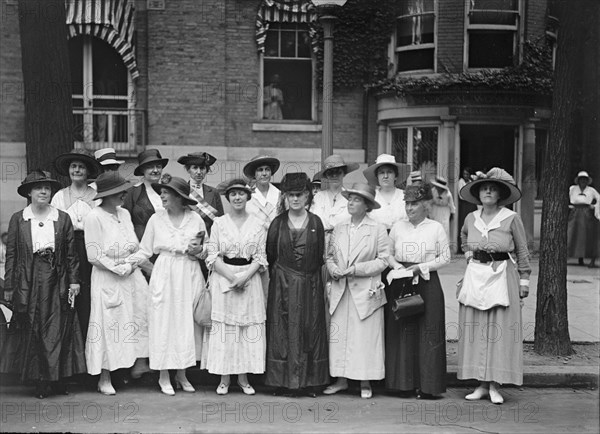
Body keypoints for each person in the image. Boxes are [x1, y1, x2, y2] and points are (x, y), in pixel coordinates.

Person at [0, 170, 86, 398]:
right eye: (38, 188)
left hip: (56, 278)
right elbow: (11, 255)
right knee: (34, 327)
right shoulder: (19, 219)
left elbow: (71, 254)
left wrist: (74, 281)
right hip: (28, 279)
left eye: (47, 188)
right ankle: (40, 381)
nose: (43, 192)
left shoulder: (62, 218)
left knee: (58, 329)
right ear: (29, 192)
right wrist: (9, 286)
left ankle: (58, 380)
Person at [128, 175, 208, 395]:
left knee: (185, 323)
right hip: (164, 270)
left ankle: (182, 374)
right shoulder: (156, 219)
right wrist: (126, 263)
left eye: (166, 192)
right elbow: (145, 250)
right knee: (163, 322)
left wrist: (198, 251)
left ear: (179, 197)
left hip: (188, 270)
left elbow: (206, 250)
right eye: (161, 192)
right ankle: (164, 375)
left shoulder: (196, 219)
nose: (162, 195)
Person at [457, 167, 531, 404]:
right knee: (477, 328)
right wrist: (470, 255)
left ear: (500, 194)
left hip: (502, 275)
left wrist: (524, 280)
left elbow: (521, 250)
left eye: (492, 189)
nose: (488, 192)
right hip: (476, 276)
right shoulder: (471, 218)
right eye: (484, 188)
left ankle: (495, 385)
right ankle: (480, 383)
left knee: (497, 330)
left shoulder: (511, 218)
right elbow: (463, 239)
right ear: (478, 194)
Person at [84, 172, 151, 395]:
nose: (124, 195)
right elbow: (94, 255)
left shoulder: (124, 213)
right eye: (119, 192)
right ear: (108, 194)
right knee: (108, 325)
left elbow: (136, 246)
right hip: (108, 277)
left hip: (131, 276)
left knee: (136, 318)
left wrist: (132, 264)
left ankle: (132, 367)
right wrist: (118, 268)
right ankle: (104, 377)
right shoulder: (94, 217)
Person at [265, 172, 329, 397]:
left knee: (309, 330)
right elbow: (271, 254)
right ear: (284, 197)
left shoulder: (316, 222)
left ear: (308, 196)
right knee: (283, 331)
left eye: (300, 194)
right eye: (291, 195)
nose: (295, 199)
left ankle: (310, 382)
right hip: (282, 285)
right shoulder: (277, 223)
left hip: (310, 284)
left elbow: (320, 254)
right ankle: (282, 382)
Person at [324, 183, 389, 399]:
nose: (351, 203)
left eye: (356, 199)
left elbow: (383, 260)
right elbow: (330, 256)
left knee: (364, 337)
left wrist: (356, 269)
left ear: (367, 205)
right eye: (349, 199)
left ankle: (365, 380)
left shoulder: (377, 228)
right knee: (340, 335)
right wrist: (333, 270)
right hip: (341, 289)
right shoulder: (340, 227)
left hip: (365, 289)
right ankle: (341, 380)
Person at [386, 183, 450, 399]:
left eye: (414, 204)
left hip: (426, 281)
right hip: (401, 281)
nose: (409, 208)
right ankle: (403, 384)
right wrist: (397, 267)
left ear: (425, 206)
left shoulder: (436, 228)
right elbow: (387, 252)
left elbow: (445, 257)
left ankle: (428, 386)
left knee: (428, 331)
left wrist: (422, 267)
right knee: (403, 332)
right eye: (407, 204)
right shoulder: (398, 227)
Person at [204, 179, 267, 396]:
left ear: (248, 197)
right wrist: (232, 277)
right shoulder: (219, 223)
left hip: (250, 279)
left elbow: (260, 256)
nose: (237, 198)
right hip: (224, 278)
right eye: (233, 194)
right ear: (228, 198)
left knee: (246, 328)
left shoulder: (258, 224)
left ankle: (243, 378)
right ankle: (224, 378)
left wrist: (245, 277)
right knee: (226, 329)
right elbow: (212, 255)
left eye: (241, 194)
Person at [52, 149, 102, 340]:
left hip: (90, 247)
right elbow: (56, 226)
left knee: (89, 294)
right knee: (69, 293)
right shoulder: (59, 196)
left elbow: (101, 225)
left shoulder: (97, 196)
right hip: (67, 249)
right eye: (74, 166)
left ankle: (91, 342)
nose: (77, 170)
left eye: (81, 167)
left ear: (88, 171)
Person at [123, 149, 169, 241]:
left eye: (158, 166)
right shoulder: (132, 193)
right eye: (150, 167)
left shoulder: (170, 192)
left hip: (167, 246)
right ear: (142, 170)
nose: (155, 170)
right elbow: (124, 224)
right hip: (141, 246)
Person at [311, 154, 359, 238]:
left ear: (344, 173)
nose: (334, 176)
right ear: (326, 175)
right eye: (330, 173)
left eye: (338, 172)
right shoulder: (318, 197)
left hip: (345, 241)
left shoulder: (350, 198)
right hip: (320, 242)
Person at [177, 152, 224, 236]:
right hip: (187, 238)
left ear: (206, 170)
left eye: (202, 168)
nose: (199, 172)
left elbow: (221, 221)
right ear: (188, 170)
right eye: (195, 168)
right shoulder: (180, 192)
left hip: (210, 239)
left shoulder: (214, 192)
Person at [363, 154, 410, 231]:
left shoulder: (405, 196)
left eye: (389, 172)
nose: (385, 176)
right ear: (377, 176)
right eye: (381, 172)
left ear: (396, 176)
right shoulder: (371, 197)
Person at [567, 171, 599, 268]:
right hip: (575, 212)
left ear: (587, 181)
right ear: (578, 180)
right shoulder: (572, 189)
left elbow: (599, 198)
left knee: (585, 236)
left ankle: (584, 258)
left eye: (585, 179)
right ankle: (571, 257)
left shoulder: (591, 190)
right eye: (581, 179)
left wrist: (594, 207)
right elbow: (566, 197)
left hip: (586, 213)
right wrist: (569, 206)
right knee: (571, 234)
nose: (583, 181)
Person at [244, 155, 281, 231]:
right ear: (254, 174)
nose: (264, 173)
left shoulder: (280, 195)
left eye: (267, 169)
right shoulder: (245, 196)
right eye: (260, 170)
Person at [429, 176, 456, 241]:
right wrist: (428, 213)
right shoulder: (433, 191)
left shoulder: (448, 194)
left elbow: (452, 206)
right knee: (434, 228)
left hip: (444, 212)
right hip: (435, 210)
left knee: (444, 228)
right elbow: (429, 202)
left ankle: (443, 247)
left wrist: (452, 215)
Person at [457, 167, 477, 253]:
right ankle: (462, 247)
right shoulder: (461, 182)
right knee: (463, 224)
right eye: (464, 174)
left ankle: (472, 246)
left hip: (471, 205)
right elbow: (461, 195)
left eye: (467, 174)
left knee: (473, 224)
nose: (466, 176)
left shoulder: (471, 181)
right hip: (464, 205)